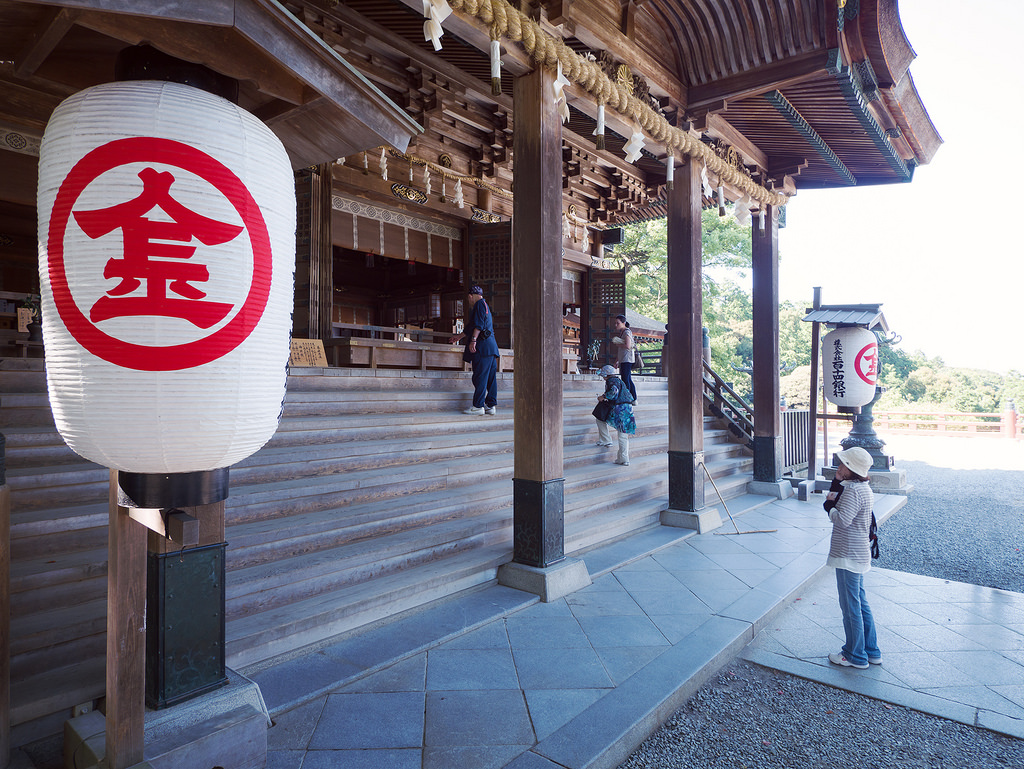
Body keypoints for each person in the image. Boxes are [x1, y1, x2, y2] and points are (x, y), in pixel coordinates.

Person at [824, 446, 881, 670]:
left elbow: (842, 519)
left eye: (843, 464)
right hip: (858, 553)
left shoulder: (853, 492)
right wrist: (837, 482)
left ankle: (854, 655)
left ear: (850, 469)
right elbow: (839, 493)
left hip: (848, 555)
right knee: (860, 603)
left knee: (850, 607)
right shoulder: (862, 488)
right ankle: (871, 650)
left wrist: (828, 507)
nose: (838, 466)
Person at [449, 285, 499, 415]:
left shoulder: (478, 305)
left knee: (480, 377)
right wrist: (459, 336)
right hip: (491, 348)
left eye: (468, 298)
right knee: (490, 378)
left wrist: (473, 340)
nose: (469, 300)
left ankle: (478, 406)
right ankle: (490, 405)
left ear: (471, 296)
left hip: (482, 348)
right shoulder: (485, 305)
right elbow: (472, 326)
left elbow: (478, 325)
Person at [594, 364, 635, 466]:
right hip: (628, 408)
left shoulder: (611, 381)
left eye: (603, 375)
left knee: (600, 418)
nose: (603, 377)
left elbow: (614, 392)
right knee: (623, 436)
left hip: (619, 409)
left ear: (606, 375)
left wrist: (603, 397)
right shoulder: (619, 381)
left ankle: (606, 440)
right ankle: (624, 459)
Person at [610, 314, 637, 402]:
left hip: (627, 359)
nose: (616, 325)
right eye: (615, 323)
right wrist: (616, 361)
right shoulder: (622, 332)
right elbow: (621, 349)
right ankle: (633, 398)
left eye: (618, 323)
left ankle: (627, 398)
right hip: (623, 359)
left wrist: (618, 344)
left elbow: (628, 346)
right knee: (627, 378)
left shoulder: (627, 332)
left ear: (623, 323)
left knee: (625, 379)